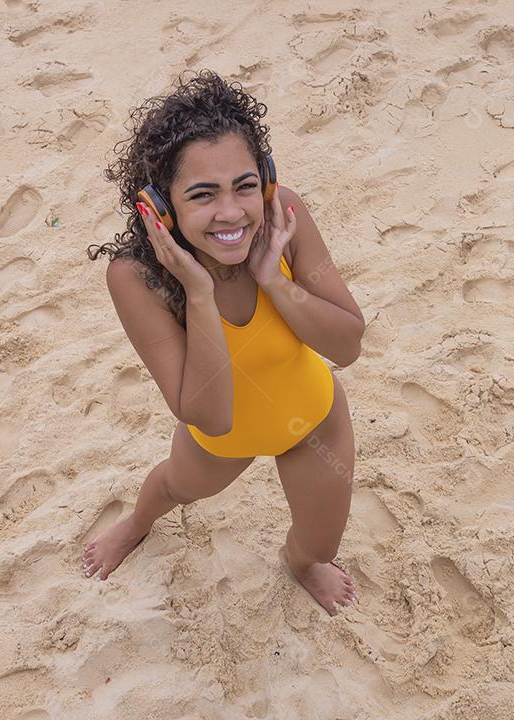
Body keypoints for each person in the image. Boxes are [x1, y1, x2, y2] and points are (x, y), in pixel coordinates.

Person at [85, 70, 364, 616]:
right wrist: (199, 292)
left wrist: (275, 280)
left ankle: (302, 563)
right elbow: (210, 418)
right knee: (174, 489)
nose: (232, 212)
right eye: (202, 195)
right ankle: (137, 523)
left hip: (315, 419)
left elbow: (348, 346)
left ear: (265, 180)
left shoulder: (283, 215)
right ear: (160, 207)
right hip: (222, 441)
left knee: (320, 548)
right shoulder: (136, 277)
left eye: (244, 185)